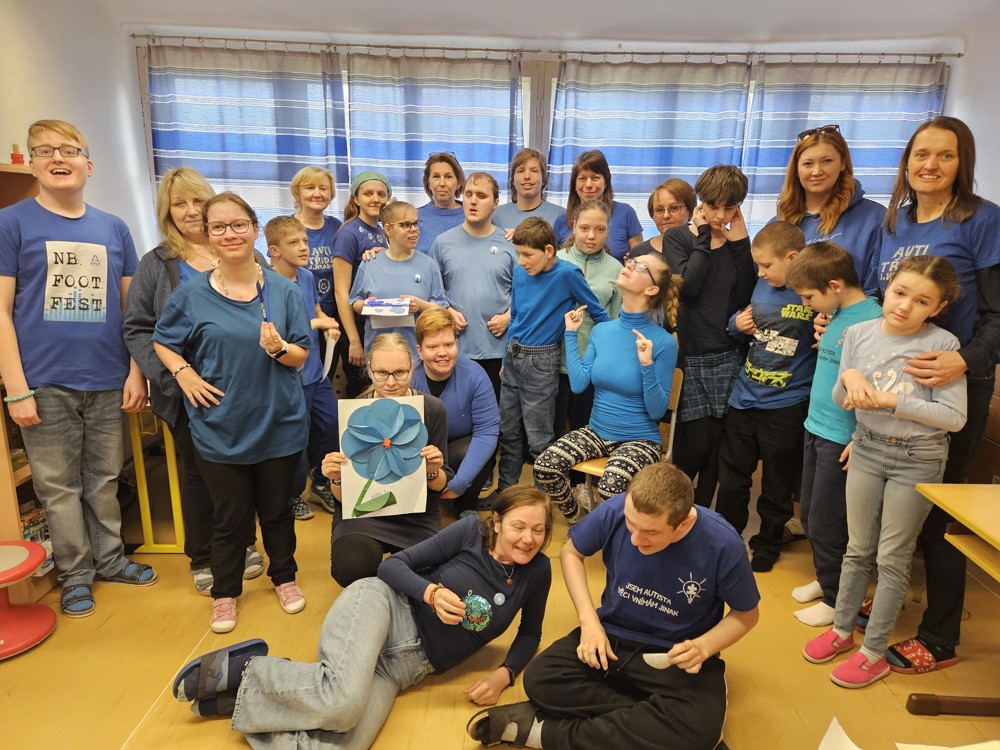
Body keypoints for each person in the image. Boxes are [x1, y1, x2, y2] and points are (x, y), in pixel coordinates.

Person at [172, 486, 553, 750]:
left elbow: (529, 634)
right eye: (518, 526)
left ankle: (243, 701)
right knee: (341, 705)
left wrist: (504, 675)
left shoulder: (538, 571)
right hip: (383, 607)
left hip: (403, 669)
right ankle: (248, 671)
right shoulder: (469, 532)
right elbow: (392, 566)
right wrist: (431, 593)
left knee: (339, 742)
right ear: (497, 521)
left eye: (538, 530)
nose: (528, 539)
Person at [467, 462, 759, 749]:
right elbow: (571, 553)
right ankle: (657, 722)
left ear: (684, 523)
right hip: (610, 641)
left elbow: (746, 614)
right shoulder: (618, 507)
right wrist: (589, 622)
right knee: (541, 678)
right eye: (630, 523)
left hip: (675, 657)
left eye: (650, 533)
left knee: (699, 729)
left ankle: (544, 732)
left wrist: (705, 646)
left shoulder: (723, 543)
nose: (634, 538)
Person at [0, 119, 156, 620]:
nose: (57, 158)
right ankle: (75, 576)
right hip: (43, 381)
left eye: (69, 150)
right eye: (44, 150)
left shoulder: (113, 227)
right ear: (32, 163)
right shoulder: (11, 223)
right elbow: (1, 310)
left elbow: (133, 312)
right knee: (57, 487)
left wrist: (136, 371)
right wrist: (16, 388)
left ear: (88, 164)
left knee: (104, 478)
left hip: (108, 377)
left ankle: (110, 560)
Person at [803, 256, 967, 688]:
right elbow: (840, 397)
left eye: (922, 301)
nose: (905, 306)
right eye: (899, 293)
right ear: (887, 287)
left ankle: (873, 653)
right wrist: (850, 378)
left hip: (919, 457)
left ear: (938, 307)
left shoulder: (944, 344)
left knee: (892, 557)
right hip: (867, 447)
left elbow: (955, 418)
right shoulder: (858, 332)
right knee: (857, 549)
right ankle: (842, 631)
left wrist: (895, 402)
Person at [874, 116, 1000, 675]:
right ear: (906, 161)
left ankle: (941, 634)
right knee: (892, 505)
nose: (930, 165)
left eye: (945, 155)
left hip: (954, 383)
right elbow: (881, 299)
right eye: (921, 154)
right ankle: (889, 601)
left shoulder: (982, 220)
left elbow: (997, 314)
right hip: (895, 383)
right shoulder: (893, 222)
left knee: (937, 508)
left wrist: (964, 359)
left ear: (961, 163)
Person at [153, 192, 311, 633]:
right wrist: (184, 374)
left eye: (239, 224)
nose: (230, 234)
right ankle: (225, 593)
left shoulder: (284, 291)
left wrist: (279, 349)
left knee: (277, 511)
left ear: (255, 229)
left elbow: (301, 354)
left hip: (278, 423)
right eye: (219, 227)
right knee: (229, 517)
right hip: (220, 427)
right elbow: (163, 341)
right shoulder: (190, 295)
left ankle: (284, 578)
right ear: (208, 234)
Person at [125, 167, 266, 592]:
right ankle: (203, 556)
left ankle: (243, 543)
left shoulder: (244, 253)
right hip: (187, 393)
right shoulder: (158, 264)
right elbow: (138, 328)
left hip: (244, 388)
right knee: (201, 475)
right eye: (179, 203)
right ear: (166, 212)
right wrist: (176, 376)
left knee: (243, 469)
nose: (190, 211)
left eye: (197, 201)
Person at [535, 250, 679, 521]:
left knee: (610, 487)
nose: (629, 265)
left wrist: (647, 365)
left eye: (640, 267)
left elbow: (657, 411)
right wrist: (570, 334)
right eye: (631, 262)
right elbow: (578, 384)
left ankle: (609, 534)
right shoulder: (602, 331)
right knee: (545, 467)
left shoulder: (662, 342)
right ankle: (579, 520)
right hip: (597, 432)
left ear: (651, 289)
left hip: (640, 440)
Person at [784, 242, 883, 627]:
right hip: (817, 426)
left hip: (843, 438)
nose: (806, 304)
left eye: (809, 297)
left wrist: (861, 437)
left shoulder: (873, 321)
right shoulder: (835, 312)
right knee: (810, 515)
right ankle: (828, 579)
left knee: (829, 523)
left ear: (835, 285)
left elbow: (878, 384)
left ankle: (837, 598)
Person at [715, 221, 816, 573]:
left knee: (777, 482)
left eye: (767, 265)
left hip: (786, 404)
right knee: (732, 479)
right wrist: (735, 325)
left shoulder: (813, 293)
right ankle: (726, 540)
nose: (760, 272)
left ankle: (769, 543)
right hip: (744, 398)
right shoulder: (762, 284)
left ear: (793, 258)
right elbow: (746, 326)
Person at [322, 332, 451, 587]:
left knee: (432, 575)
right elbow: (343, 498)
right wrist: (336, 478)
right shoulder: (354, 412)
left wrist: (432, 470)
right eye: (381, 373)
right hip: (364, 518)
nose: (391, 382)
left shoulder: (431, 409)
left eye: (400, 372)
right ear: (369, 369)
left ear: (412, 367)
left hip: (416, 516)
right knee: (352, 568)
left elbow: (441, 486)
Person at [664, 166, 755, 508]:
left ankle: (701, 513)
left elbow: (745, 295)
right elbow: (688, 287)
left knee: (719, 446)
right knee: (696, 444)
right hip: (692, 355)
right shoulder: (679, 238)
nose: (719, 215)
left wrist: (741, 244)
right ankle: (675, 506)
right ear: (701, 202)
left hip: (729, 355)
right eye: (713, 206)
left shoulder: (737, 244)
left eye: (729, 208)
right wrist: (704, 236)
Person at [498, 218, 609, 492]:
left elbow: (599, 314)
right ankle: (506, 492)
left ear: (549, 250)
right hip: (513, 355)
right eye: (518, 254)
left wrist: (611, 349)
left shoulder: (568, 274)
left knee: (539, 439)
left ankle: (541, 502)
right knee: (508, 431)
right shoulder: (521, 272)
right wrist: (504, 358)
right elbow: (515, 316)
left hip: (541, 361)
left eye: (527, 254)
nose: (521, 261)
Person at [265, 216, 342, 521]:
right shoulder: (267, 285)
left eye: (305, 241)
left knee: (332, 424)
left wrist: (325, 324)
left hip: (316, 374)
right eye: (293, 243)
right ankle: (293, 494)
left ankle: (322, 482)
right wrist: (319, 323)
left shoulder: (307, 277)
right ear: (274, 250)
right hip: (289, 378)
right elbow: (277, 333)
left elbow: (316, 308)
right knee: (297, 438)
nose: (303, 247)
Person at [429, 172, 517, 401]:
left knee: (495, 416)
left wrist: (509, 317)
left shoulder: (510, 244)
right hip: (454, 350)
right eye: (468, 194)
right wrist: (446, 311)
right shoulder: (443, 242)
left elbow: (527, 292)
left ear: (495, 203)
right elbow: (431, 290)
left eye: (481, 195)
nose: (473, 201)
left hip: (498, 351)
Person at [775, 124, 885, 293]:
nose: (816, 171)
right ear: (796, 170)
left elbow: (876, 290)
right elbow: (761, 281)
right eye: (808, 164)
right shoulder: (779, 223)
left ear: (842, 163)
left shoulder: (874, 218)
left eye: (827, 161)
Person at [412, 306, 500, 517]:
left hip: (460, 449)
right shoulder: (409, 378)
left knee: (469, 452)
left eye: (449, 344)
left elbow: (487, 432)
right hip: (422, 450)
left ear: (457, 344)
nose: (442, 353)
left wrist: (460, 482)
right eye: (433, 347)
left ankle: (465, 506)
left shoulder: (475, 376)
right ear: (420, 350)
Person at [553, 200, 623, 437]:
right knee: (551, 431)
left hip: (592, 368)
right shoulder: (555, 261)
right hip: (552, 364)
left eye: (600, 229)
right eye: (584, 228)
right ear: (574, 226)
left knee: (585, 432)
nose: (591, 236)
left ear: (608, 229)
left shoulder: (616, 269)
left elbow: (615, 324)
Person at [349, 200, 447, 356]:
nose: (414, 230)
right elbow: (354, 302)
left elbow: (441, 309)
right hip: (378, 354)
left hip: (417, 355)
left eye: (416, 224)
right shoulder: (370, 263)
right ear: (388, 229)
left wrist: (419, 305)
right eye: (406, 225)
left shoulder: (428, 265)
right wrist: (367, 305)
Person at [333, 171, 390, 396]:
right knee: (362, 391)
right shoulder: (348, 233)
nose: (375, 199)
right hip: (355, 324)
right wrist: (354, 341)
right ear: (356, 199)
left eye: (381, 194)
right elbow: (341, 292)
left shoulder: (382, 231)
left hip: (375, 320)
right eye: (368, 194)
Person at [553, 150, 643, 261]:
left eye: (595, 178)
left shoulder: (626, 213)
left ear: (606, 182)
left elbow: (640, 259)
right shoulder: (562, 220)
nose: (588, 185)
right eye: (582, 178)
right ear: (574, 185)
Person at [493, 148, 565, 232]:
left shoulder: (560, 216)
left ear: (543, 179)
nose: (527, 176)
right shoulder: (496, 215)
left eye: (534, 171)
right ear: (513, 180)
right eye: (521, 171)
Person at [630, 178, 696, 258]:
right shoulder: (640, 253)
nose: (666, 216)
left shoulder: (703, 246)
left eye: (674, 208)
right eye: (660, 210)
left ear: (690, 212)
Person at [416, 152, 466, 255]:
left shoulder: (473, 216)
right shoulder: (414, 217)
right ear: (428, 184)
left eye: (448, 177)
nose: (442, 183)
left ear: (458, 183)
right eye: (436, 177)